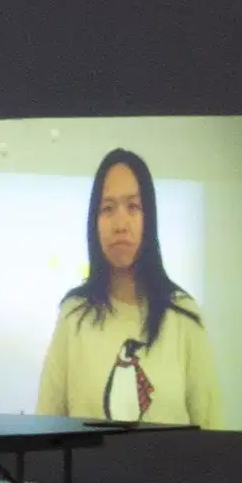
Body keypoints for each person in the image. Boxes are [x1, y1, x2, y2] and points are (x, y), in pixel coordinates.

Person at [31, 149, 220, 427]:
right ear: (94, 223)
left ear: (149, 219)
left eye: (133, 206)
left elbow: (212, 430)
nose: (120, 224)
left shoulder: (183, 315)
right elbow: (45, 427)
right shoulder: (74, 316)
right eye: (107, 209)